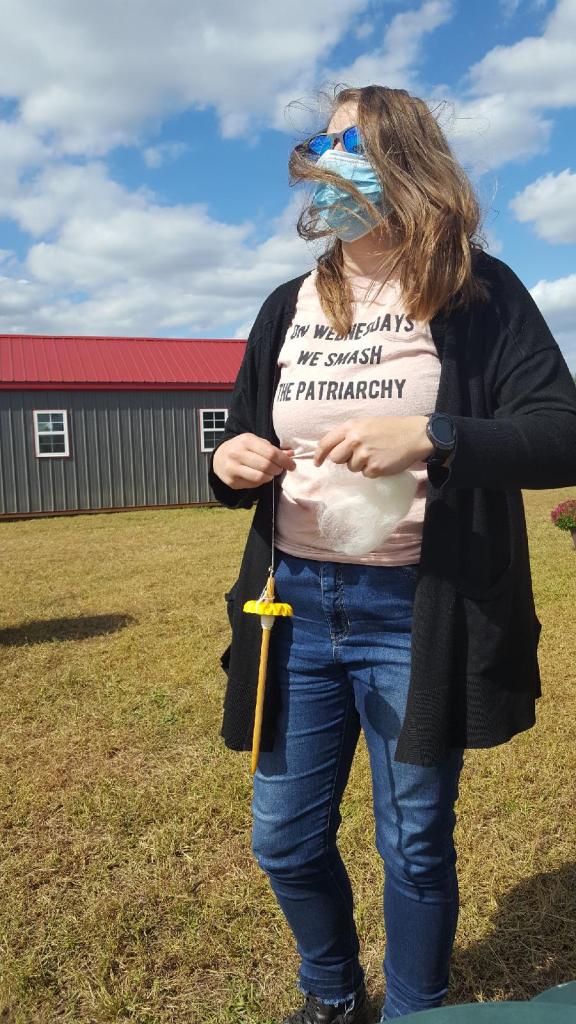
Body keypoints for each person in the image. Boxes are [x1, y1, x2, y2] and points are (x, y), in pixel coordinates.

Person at [208, 85, 576, 1023]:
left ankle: (419, 1010)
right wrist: (228, 459)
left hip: (415, 610)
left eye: (352, 143)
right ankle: (334, 994)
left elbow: (560, 432)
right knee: (283, 838)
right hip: (293, 604)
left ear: (406, 162)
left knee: (413, 839)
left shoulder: (480, 293)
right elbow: (246, 432)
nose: (327, 160)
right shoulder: (288, 304)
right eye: (322, 142)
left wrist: (435, 433)